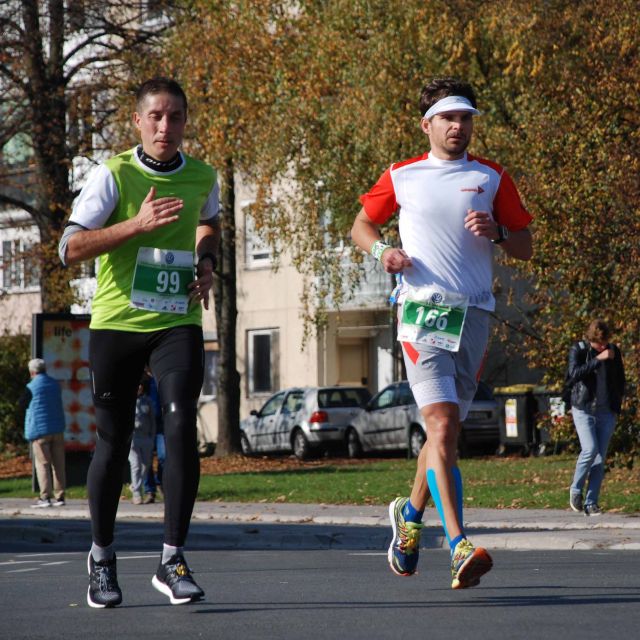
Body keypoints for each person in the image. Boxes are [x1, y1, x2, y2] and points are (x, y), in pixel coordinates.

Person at [351, 77, 533, 589]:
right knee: (444, 427)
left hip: (474, 316)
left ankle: (408, 519)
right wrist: (381, 252)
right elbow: (361, 225)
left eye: (466, 117)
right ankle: (457, 544)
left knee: (441, 434)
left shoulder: (492, 177)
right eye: (449, 118)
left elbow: (525, 246)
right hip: (420, 314)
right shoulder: (402, 176)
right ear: (427, 124)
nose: (459, 126)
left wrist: (498, 232)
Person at [58, 77, 220, 608]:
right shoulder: (112, 174)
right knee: (113, 439)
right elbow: (70, 248)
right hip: (118, 323)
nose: (165, 127)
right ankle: (102, 558)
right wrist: (136, 224)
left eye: (175, 117)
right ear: (137, 121)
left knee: (178, 420)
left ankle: (172, 558)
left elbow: (208, 223)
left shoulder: (202, 176)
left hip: (177, 319)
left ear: (185, 121)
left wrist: (207, 262)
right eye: (155, 117)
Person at [567, 319, 625, 516]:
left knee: (599, 458)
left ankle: (591, 502)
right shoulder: (580, 350)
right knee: (589, 449)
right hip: (583, 408)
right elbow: (573, 375)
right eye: (599, 344)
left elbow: (620, 379)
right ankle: (576, 489)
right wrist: (598, 359)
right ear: (591, 340)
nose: (603, 346)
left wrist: (617, 405)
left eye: (605, 343)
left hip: (606, 410)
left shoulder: (613, 351)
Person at [20, 358, 67, 508]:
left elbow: (22, 405)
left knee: (43, 464)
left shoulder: (31, 387)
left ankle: (45, 497)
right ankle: (60, 497)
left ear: (32, 371)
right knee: (58, 464)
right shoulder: (54, 384)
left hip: (40, 431)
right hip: (57, 429)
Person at [129, 378, 157, 505]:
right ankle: (136, 493)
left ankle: (135, 485)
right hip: (133, 438)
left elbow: (152, 420)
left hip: (146, 437)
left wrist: (152, 436)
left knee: (145, 466)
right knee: (135, 465)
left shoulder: (148, 401)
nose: (139, 387)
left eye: (140, 385)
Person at [143, 372, 165, 504]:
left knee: (164, 456)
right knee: (146, 459)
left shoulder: (161, 378)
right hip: (145, 425)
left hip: (161, 425)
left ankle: (161, 482)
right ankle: (149, 490)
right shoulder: (144, 380)